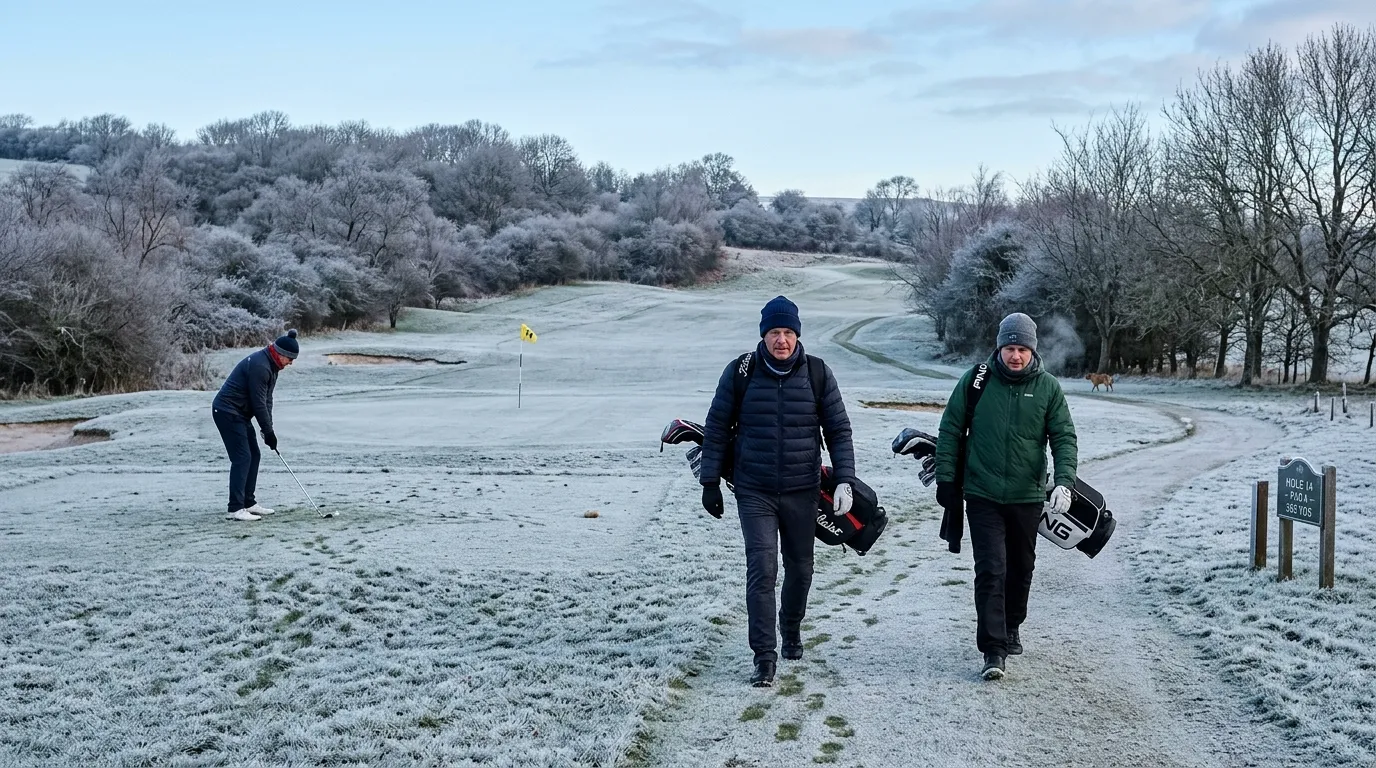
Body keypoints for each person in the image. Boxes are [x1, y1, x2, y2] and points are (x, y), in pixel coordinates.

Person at [698, 296, 856, 687]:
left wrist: (845, 480)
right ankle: (764, 657)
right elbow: (717, 427)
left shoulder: (818, 373)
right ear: (763, 335)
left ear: (797, 335)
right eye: (774, 333)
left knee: (801, 569)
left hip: (803, 489)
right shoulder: (741, 372)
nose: (781, 340)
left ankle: (791, 628)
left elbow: (839, 431)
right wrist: (710, 482)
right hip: (755, 491)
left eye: (787, 332)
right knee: (762, 570)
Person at [934, 313, 1078, 680]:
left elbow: (1064, 438)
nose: (1015, 356)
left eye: (1022, 349)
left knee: (1021, 568)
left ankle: (1012, 624)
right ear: (999, 348)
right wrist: (947, 481)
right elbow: (950, 430)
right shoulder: (976, 382)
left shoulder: (1048, 388)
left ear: (1032, 351)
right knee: (991, 569)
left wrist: (1064, 481)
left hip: (1026, 496)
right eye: (1009, 348)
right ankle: (993, 650)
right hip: (982, 494)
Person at [211, 329, 299, 521]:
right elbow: (258, 403)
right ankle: (235, 508)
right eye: (290, 359)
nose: (291, 363)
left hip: (239, 414)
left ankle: (248, 502)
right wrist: (267, 431)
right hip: (227, 411)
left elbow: (267, 400)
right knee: (242, 458)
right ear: (281, 354)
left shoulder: (273, 366)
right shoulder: (261, 366)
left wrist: (269, 431)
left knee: (254, 455)